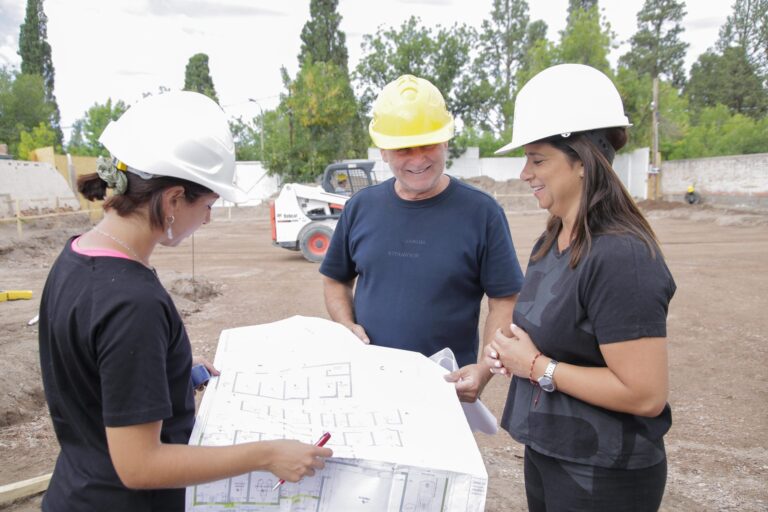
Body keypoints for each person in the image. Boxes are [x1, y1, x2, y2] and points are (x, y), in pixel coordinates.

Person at [38, 91, 332, 511]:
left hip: (77, 490)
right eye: (208, 204)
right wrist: (268, 454)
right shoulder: (132, 303)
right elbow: (139, 465)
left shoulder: (77, 256)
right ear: (174, 199)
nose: (209, 218)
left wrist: (174, 377)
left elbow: (93, 378)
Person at [486, 64, 676, 511]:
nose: (524, 173)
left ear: (584, 161)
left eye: (537, 159)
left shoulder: (622, 256)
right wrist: (510, 348)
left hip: (605, 473)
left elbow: (645, 394)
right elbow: (554, 333)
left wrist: (535, 365)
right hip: (552, 452)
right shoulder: (553, 239)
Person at [320, 74, 525, 402]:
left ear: (446, 142)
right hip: (369, 385)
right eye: (403, 149)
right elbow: (335, 280)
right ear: (384, 151)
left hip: (444, 392)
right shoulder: (360, 208)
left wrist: (483, 369)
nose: (418, 159)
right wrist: (346, 324)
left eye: (428, 144)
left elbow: (504, 299)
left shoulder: (481, 213)